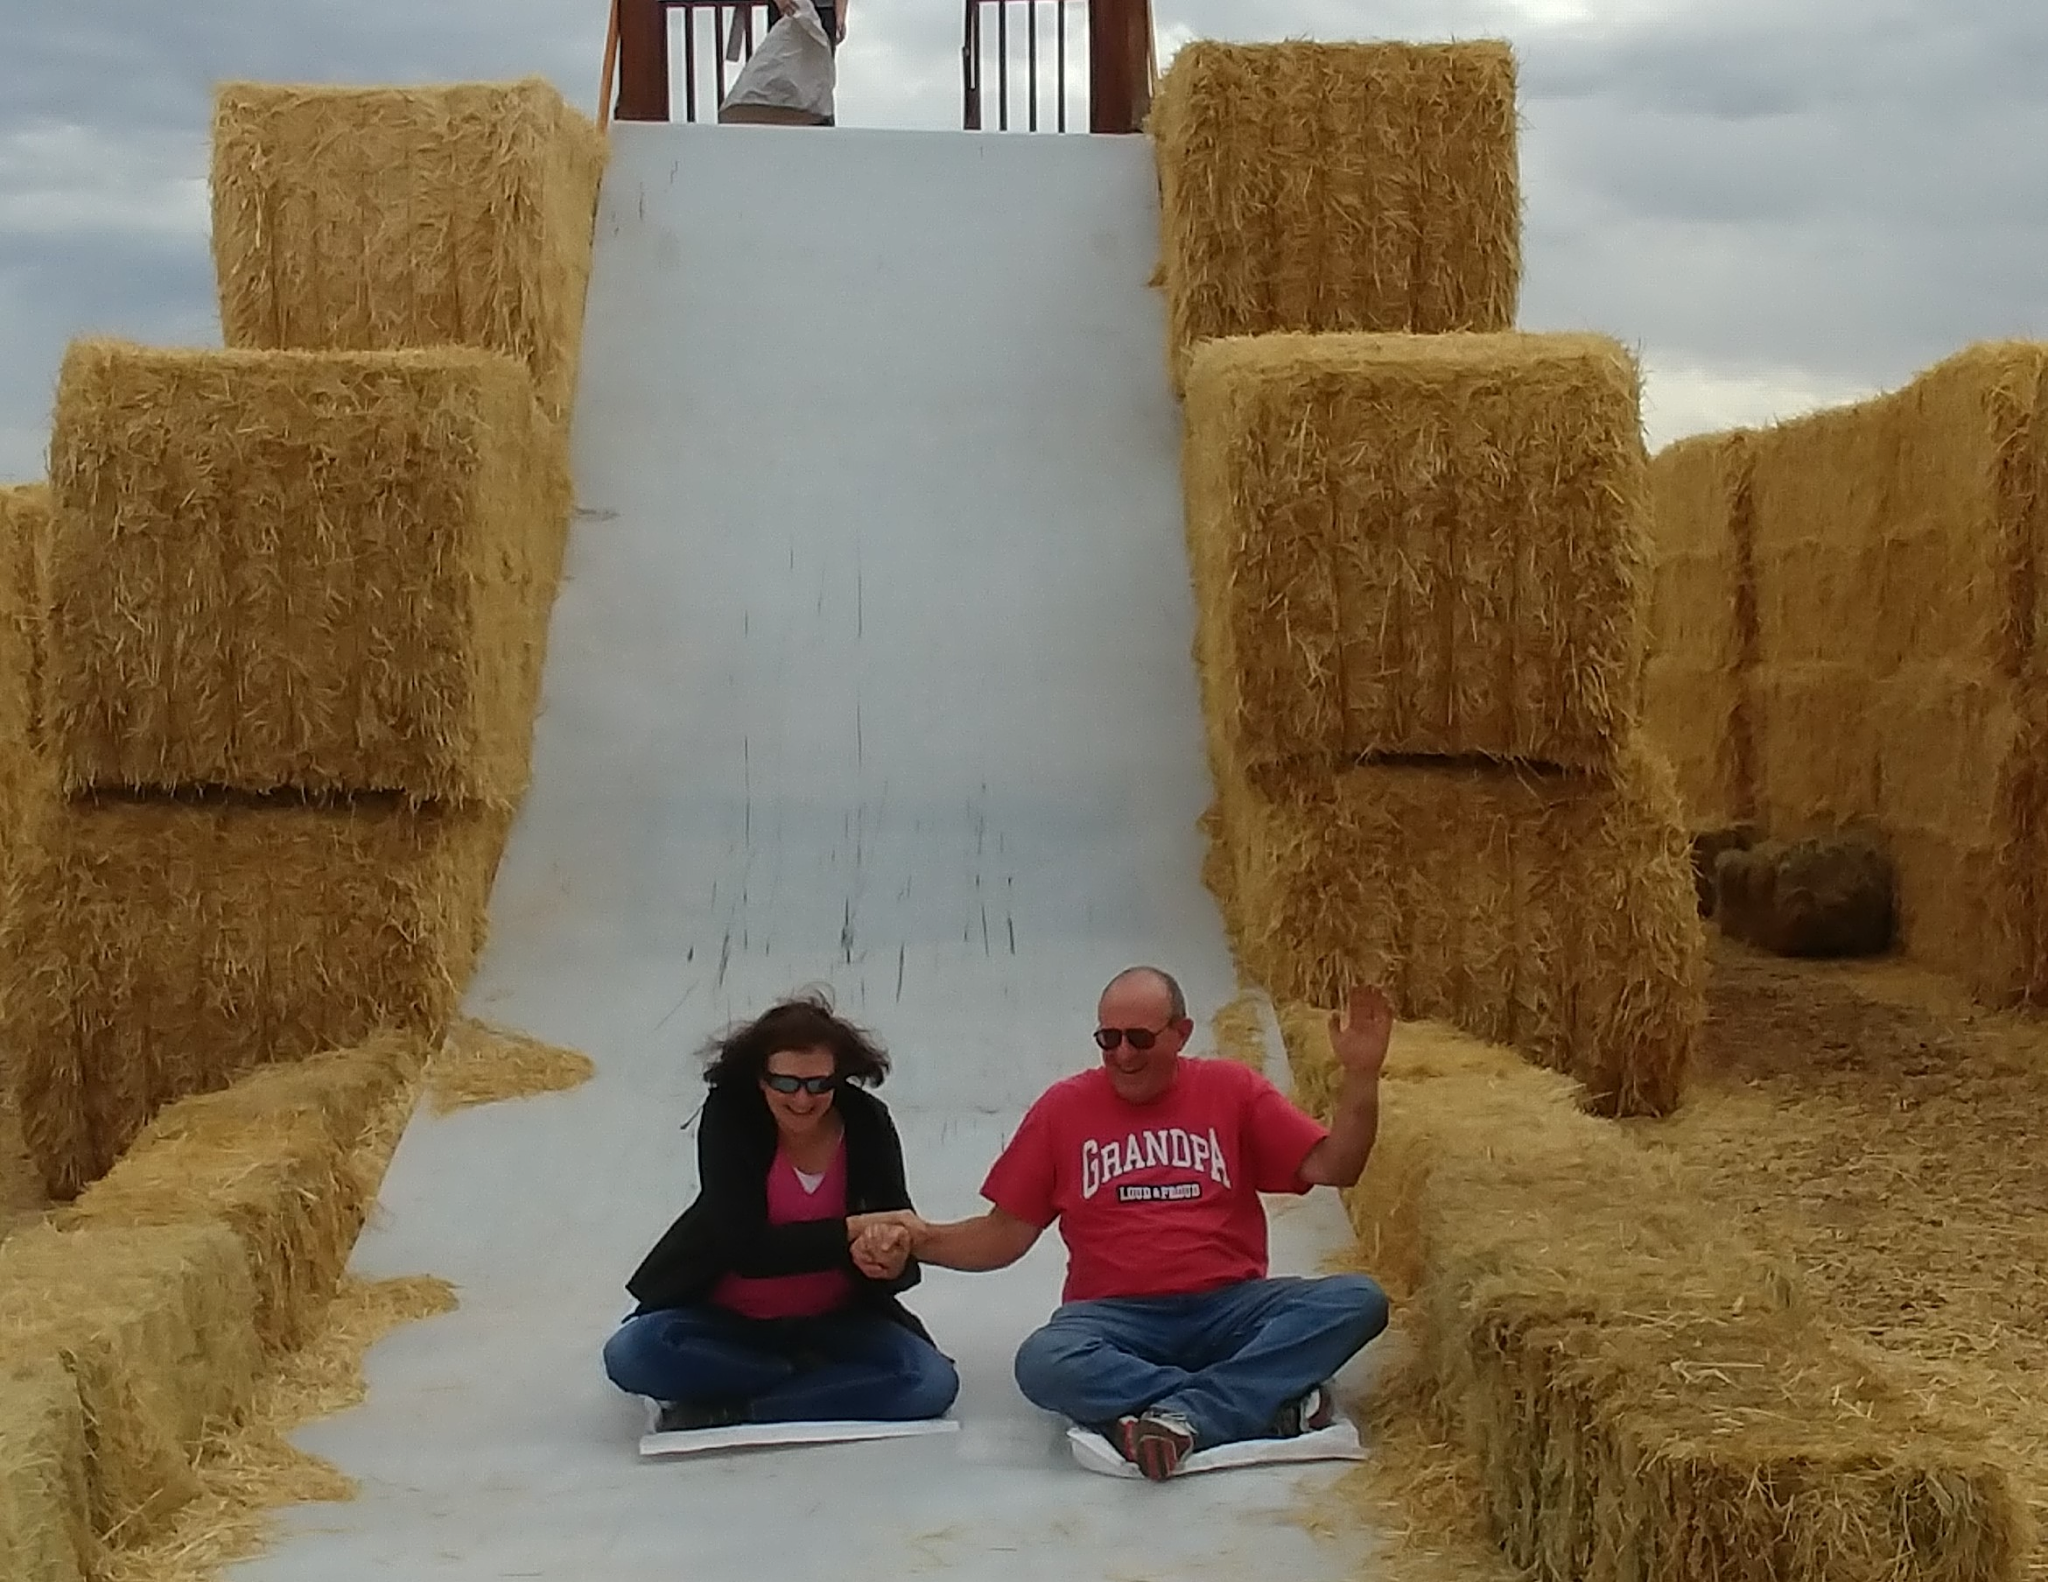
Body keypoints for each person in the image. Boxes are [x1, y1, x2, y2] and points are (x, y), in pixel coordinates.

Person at [858, 966, 1391, 1481]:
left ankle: (1181, 1413)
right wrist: (920, 1239)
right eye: (1108, 1039)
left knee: (1357, 1300)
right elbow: (1003, 1236)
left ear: (1182, 1033)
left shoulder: (1232, 1089)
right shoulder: (1063, 1109)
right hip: (1115, 1321)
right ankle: (1249, 1403)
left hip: (1229, 1308)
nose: (1123, 1055)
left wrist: (1362, 1076)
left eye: (1139, 1038)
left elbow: (1335, 1166)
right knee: (1046, 1361)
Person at [605, 991, 958, 1432]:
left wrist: (888, 1258)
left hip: (835, 1319)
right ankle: (812, 1381)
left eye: (820, 1084)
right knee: (633, 1352)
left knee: (930, 1382)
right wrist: (852, 1232)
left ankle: (744, 1406)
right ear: (760, 1078)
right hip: (727, 1319)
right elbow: (746, 1249)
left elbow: (897, 1237)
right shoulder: (731, 1115)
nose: (803, 1100)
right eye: (787, 1084)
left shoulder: (867, 1121)